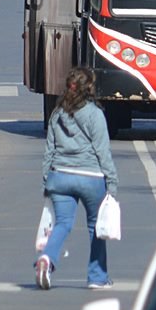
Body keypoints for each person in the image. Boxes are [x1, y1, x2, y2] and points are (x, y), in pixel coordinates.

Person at [37, 67, 119, 291]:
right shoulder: (94, 114)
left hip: (60, 176)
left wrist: (47, 181)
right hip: (90, 177)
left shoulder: (57, 114)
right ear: (89, 88)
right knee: (95, 227)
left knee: (62, 224)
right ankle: (97, 277)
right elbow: (103, 152)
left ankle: (46, 259)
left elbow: (49, 151)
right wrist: (111, 183)